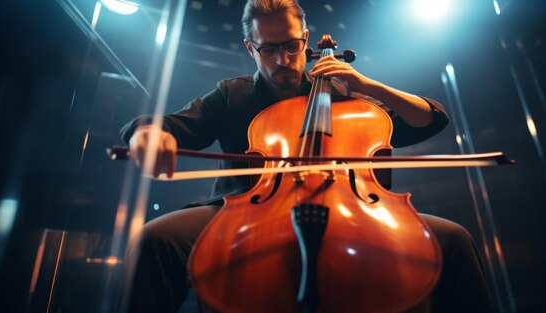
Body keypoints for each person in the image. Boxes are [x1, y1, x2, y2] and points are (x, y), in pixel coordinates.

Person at [120, 0, 495, 312]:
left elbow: (430, 119)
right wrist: (150, 134)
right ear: (251, 48)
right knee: (155, 239)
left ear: (305, 40)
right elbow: (167, 125)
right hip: (241, 211)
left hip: (354, 210)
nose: (283, 60)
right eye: (269, 49)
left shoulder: (347, 98)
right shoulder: (232, 95)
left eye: (291, 46)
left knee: (455, 239)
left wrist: (367, 84)